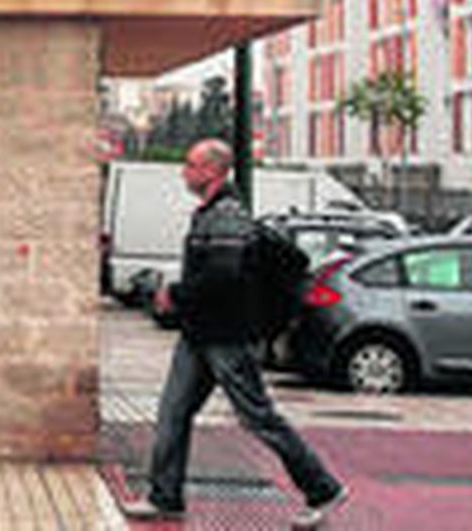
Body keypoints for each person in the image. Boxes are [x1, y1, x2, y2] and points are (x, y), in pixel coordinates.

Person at [125, 139, 348, 528]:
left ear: (213, 171)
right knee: (173, 413)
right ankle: (164, 495)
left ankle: (322, 487)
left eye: (192, 165)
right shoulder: (210, 212)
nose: (185, 171)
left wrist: (174, 295)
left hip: (227, 337)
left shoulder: (227, 215)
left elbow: (223, 276)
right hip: (199, 334)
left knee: (258, 417)